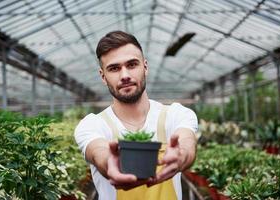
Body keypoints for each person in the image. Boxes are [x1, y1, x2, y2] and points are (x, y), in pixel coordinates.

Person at [74, 30, 198, 200]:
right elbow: (98, 151)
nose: (125, 75)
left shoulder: (175, 114)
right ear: (103, 76)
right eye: (114, 68)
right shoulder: (93, 125)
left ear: (145, 67)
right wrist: (110, 164)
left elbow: (187, 142)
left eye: (132, 65)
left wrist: (182, 155)